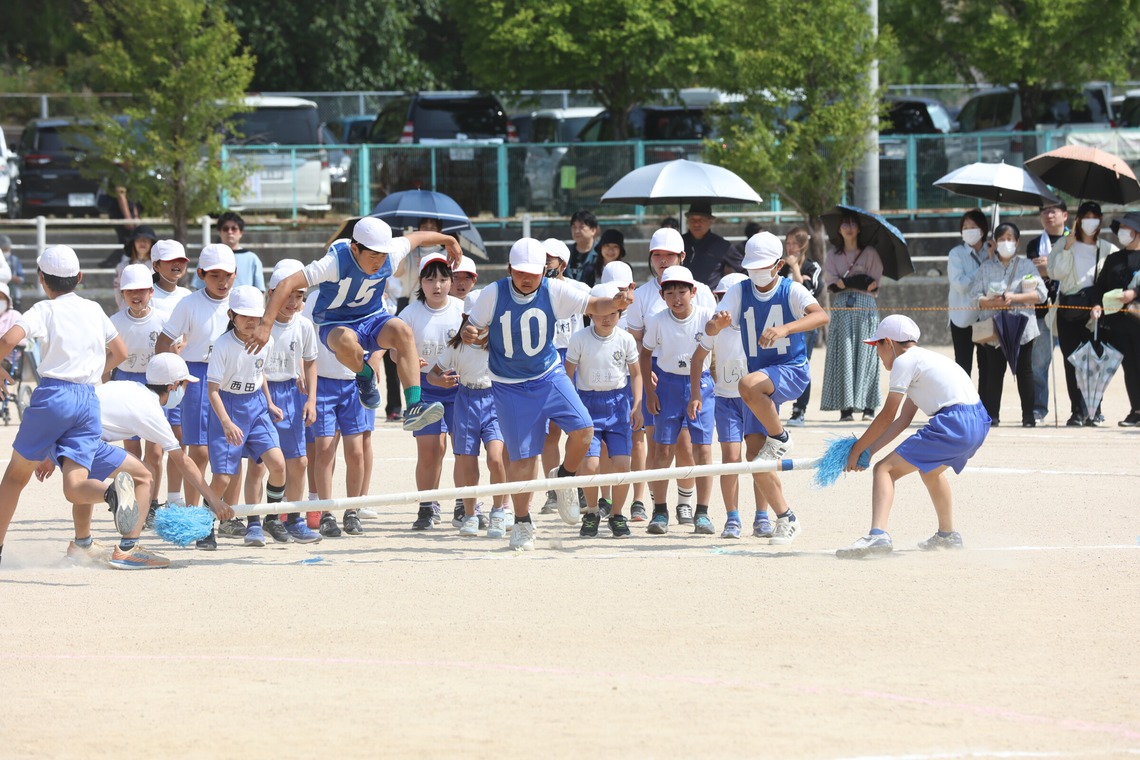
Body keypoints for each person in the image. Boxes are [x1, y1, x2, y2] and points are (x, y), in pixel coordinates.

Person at [461, 237, 634, 551]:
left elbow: (595, 306)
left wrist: (617, 303)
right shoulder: (493, 293)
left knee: (584, 430)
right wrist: (469, 333)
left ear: (544, 271)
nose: (527, 279)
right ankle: (522, 522)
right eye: (520, 272)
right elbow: (470, 328)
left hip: (548, 375)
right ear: (509, 269)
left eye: (533, 273)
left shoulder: (554, 290)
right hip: (509, 385)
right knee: (524, 459)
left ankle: (564, 477)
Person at [251, 217, 459, 431]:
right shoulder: (334, 263)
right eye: (373, 256)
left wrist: (449, 240)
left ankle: (414, 406)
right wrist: (265, 325)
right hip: (336, 323)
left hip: (373, 318)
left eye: (382, 255)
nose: (379, 262)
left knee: (403, 331)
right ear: (355, 249)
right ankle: (364, 374)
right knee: (347, 340)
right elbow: (287, 283)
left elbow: (418, 237)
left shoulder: (391, 254)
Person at [37, 355, 237, 568]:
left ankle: (82, 545)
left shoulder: (128, 386)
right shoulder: (151, 410)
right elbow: (183, 461)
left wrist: (47, 452)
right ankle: (128, 548)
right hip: (85, 439)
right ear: (173, 386)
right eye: (184, 385)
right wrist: (214, 500)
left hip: (61, 432)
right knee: (145, 475)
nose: (185, 390)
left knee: (88, 480)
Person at [0, 245, 128, 565]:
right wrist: (92, 374)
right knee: (76, 484)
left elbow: (8, 340)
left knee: (15, 478)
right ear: (79, 277)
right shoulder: (94, 309)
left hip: (54, 395)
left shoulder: (45, 309)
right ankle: (109, 493)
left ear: (41, 278)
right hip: (88, 398)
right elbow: (121, 352)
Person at [701, 232, 829, 546]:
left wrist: (786, 328)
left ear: (778, 265)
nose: (756, 272)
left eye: (762, 266)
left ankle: (781, 438)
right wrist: (717, 324)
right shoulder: (739, 290)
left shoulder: (791, 289)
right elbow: (710, 327)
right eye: (751, 267)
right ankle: (786, 517)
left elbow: (821, 315)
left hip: (791, 370)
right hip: (761, 383)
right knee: (756, 459)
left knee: (746, 385)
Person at [836, 315, 990, 559]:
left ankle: (877, 535)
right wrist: (869, 450)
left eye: (877, 345)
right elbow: (903, 420)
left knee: (884, 470)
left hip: (954, 422)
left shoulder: (904, 362)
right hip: (978, 422)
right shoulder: (926, 360)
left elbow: (887, 416)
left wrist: (857, 449)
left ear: (889, 343)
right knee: (930, 471)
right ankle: (947, 535)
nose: (877, 352)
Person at [625, 228, 718, 526]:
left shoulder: (702, 295)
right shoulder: (644, 297)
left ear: (682, 256)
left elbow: (710, 343)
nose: (663, 260)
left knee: (693, 447)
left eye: (670, 255)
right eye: (657, 255)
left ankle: (692, 507)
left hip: (697, 378)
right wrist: (647, 383)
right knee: (660, 446)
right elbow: (639, 345)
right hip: (660, 378)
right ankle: (659, 508)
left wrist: (705, 385)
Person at [201, 286, 290, 550]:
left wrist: (269, 403)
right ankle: (204, 526)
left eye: (256, 316)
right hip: (228, 407)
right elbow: (212, 390)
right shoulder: (223, 345)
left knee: (278, 464)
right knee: (222, 478)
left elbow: (259, 373)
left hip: (257, 406)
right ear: (231, 315)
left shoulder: (266, 340)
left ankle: (270, 518)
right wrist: (226, 422)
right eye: (244, 316)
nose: (251, 321)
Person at [154, 244, 236, 522]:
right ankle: (193, 514)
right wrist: (171, 376)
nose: (222, 282)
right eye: (214, 275)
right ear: (201, 274)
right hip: (198, 376)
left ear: (235, 274)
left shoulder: (240, 301)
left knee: (232, 450)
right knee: (200, 451)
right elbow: (163, 343)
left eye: (227, 275)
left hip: (232, 377)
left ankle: (228, 514)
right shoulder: (189, 303)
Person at [641, 265, 716, 536]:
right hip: (668, 385)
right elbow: (645, 354)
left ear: (693, 292)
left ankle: (702, 512)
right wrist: (650, 391)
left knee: (702, 450)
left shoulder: (706, 316)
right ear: (662, 295)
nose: (676, 298)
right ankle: (659, 510)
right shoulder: (658, 320)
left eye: (682, 291)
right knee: (662, 450)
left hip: (702, 384)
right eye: (669, 292)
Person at [565, 281, 643, 538]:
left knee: (622, 464)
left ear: (620, 313)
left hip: (618, 405)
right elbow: (568, 374)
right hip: (587, 404)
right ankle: (591, 512)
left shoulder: (625, 339)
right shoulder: (579, 339)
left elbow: (636, 374)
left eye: (613, 313)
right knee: (590, 465)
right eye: (601, 313)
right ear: (590, 312)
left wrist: (637, 405)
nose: (607, 318)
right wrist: (571, 407)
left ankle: (618, 514)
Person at [428, 295, 510, 538]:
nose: (480, 325)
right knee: (467, 463)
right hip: (465, 401)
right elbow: (432, 374)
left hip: (494, 401)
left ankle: (499, 511)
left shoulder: (501, 344)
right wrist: (440, 381)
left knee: (496, 459)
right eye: (474, 319)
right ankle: (470, 514)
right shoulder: (456, 347)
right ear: (465, 318)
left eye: (485, 319)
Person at [398, 253, 464, 531]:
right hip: (424, 388)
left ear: (451, 281)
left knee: (463, 450)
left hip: (458, 386)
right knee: (429, 450)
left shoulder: (462, 309)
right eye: (430, 279)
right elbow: (394, 352)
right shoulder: (409, 314)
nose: (437, 285)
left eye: (443, 279)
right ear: (420, 282)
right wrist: (409, 358)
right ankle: (427, 506)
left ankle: (464, 504)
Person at [262, 260, 323, 543]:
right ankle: (258, 519)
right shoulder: (260, 324)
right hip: (261, 394)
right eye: (287, 294)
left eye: (299, 296)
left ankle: (294, 518)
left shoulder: (304, 325)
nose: (293, 302)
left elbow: (310, 362)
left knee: (298, 461)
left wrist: (311, 399)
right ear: (272, 293)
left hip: (291, 394)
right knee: (259, 463)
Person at [969, 223, 1047, 427]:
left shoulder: (1027, 266)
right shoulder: (986, 267)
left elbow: (1041, 294)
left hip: (1022, 328)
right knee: (994, 372)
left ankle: (1028, 416)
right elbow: (975, 296)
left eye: (1009, 239)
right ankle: (992, 415)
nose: (1006, 243)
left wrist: (1015, 297)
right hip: (995, 328)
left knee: (1025, 371)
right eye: (1001, 239)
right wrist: (992, 301)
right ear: (994, 243)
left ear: (1017, 242)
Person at [1047, 201, 1116, 426]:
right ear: (1077, 220)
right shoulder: (1063, 243)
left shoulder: (1107, 249)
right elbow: (1055, 272)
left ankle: (1094, 410)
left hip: (1096, 312)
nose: (1090, 221)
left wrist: (1101, 303)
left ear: (1100, 220)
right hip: (1069, 310)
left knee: (1095, 362)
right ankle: (1077, 410)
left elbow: (1113, 279)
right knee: (1072, 362)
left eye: (1095, 217)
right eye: (1086, 216)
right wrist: (1067, 249)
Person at [109, 263, 169, 518]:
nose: (136, 295)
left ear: (151, 291)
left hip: (154, 382)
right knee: (132, 449)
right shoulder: (114, 322)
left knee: (155, 450)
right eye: (130, 291)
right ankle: (134, 503)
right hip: (125, 382)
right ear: (122, 293)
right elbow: (107, 357)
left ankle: (152, 502)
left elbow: (175, 351)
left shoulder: (163, 319)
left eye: (142, 290)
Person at [538, 238, 590, 514]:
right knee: (550, 432)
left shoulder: (579, 290)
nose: (544, 263)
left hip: (575, 358)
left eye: (549, 259)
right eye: (541, 258)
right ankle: (553, 491)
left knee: (577, 426)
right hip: (544, 359)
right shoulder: (534, 289)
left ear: (563, 264)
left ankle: (574, 484)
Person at [821, 210, 884, 421]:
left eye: (852, 223)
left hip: (866, 306)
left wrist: (848, 282)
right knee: (843, 354)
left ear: (859, 229)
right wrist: (856, 281)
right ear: (839, 229)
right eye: (844, 224)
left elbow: (874, 284)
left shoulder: (870, 253)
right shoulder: (833, 255)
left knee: (868, 355)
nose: (848, 228)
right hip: (842, 307)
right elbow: (832, 283)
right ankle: (845, 408)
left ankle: (868, 406)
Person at [1094, 212, 1140, 426]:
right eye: (1121, 228)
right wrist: (1097, 304)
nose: (1122, 232)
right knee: (1129, 367)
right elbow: (1100, 286)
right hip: (1119, 323)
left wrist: (1135, 293)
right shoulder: (1114, 259)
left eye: (1127, 228)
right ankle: (1136, 410)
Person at [1026, 200, 1068, 421]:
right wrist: (1056, 266)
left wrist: (1048, 266)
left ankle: (1084, 410)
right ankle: (1038, 408)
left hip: (1069, 309)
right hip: (1042, 311)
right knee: (1039, 364)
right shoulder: (1034, 244)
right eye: (1044, 211)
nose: (1048, 215)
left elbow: (1070, 269)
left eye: (1053, 211)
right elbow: (1033, 271)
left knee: (1075, 363)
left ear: (1065, 215)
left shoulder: (1074, 240)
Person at [780, 225, 824, 427]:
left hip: (805, 325)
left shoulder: (812, 267)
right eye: (787, 243)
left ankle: (799, 410)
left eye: (794, 244)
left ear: (803, 246)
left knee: (801, 365)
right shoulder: (781, 266)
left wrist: (796, 270)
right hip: (782, 323)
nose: (789, 248)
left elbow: (809, 292)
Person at [947, 209, 990, 377]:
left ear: (982, 230)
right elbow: (960, 284)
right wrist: (983, 268)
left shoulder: (991, 251)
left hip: (986, 316)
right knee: (963, 366)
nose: (968, 230)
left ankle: (984, 396)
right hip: (962, 317)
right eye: (965, 227)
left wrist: (994, 259)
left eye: (973, 227)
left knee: (987, 366)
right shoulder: (956, 253)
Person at [192, 212, 266, 292]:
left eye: (234, 229)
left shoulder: (252, 258)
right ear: (220, 232)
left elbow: (260, 291)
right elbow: (198, 288)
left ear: (241, 233)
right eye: (225, 229)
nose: (230, 232)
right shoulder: (208, 256)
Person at [682, 202, 737, 289]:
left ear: (710, 221)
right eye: (692, 220)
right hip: (682, 294)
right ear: (688, 221)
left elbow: (744, 268)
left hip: (712, 295)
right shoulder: (678, 243)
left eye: (701, 220)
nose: (696, 224)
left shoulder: (722, 245)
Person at [111, 226, 158, 309]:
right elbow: (118, 293)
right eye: (139, 239)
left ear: (152, 243)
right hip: (127, 311)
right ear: (133, 243)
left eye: (147, 239)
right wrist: (124, 310)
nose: (143, 242)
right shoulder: (122, 267)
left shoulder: (158, 268)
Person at [566, 209, 599, 281]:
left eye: (581, 227)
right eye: (574, 227)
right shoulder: (566, 253)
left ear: (593, 230)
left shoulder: (601, 253)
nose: (576, 231)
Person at [0, 234, 25, 309]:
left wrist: (13, 278)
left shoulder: (14, 260)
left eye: (8, 249)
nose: (6, 252)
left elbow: (21, 279)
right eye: (4, 249)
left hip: (14, 296)